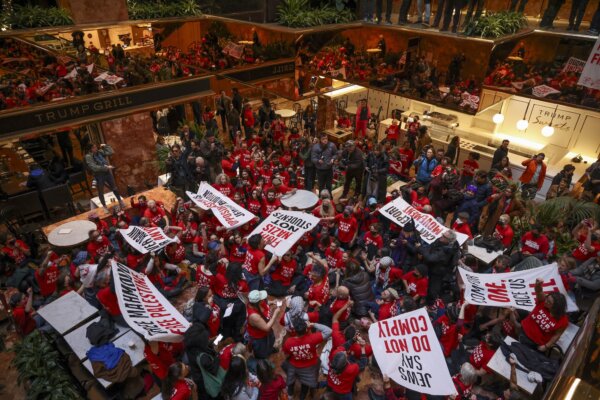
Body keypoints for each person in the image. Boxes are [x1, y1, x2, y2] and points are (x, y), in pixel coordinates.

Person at [283, 317, 332, 399]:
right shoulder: (312, 338)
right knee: (305, 385)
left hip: (295, 365)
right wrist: (313, 324)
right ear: (306, 329)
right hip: (310, 366)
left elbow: (286, 355)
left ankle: (290, 395)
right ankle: (302, 397)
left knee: (290, 379)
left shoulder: (289, 342)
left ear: (295, 330)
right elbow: (329, 331)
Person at [520, 279, 568, 352]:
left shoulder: (563, 321)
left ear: (555, 307)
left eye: (549, 302)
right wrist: (538, 284)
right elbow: (539, 291)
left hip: (535, 344)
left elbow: (557, 335)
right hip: (523, 332)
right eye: (547, 298)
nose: (545, 301)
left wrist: (546, 346)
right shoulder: (542, 301)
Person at [84, 143, 125, 213]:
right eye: (94, 147)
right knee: (100, 192)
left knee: (114, 187)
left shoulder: (99, 152)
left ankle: (120, 201)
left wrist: (105, 146)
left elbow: (111, 152)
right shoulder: (88, 156)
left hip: (107, 173)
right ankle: (104, 206)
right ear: (90, 149)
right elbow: (94, 168)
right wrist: (106, 167)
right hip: (98, 175)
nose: (96, 148)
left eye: (96, 147)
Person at [246, 289, 284, 359]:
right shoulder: (254, 316)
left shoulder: (259, 303)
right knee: (262, 352)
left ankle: (269, 350)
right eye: (262, 299)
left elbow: (265, 303)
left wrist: (272, 302)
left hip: (267, 333)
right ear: (258, 302)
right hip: (259, 338)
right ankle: (263, 360)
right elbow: (266, 328)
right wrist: (275, 314)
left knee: (271, 341)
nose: (264, 300)